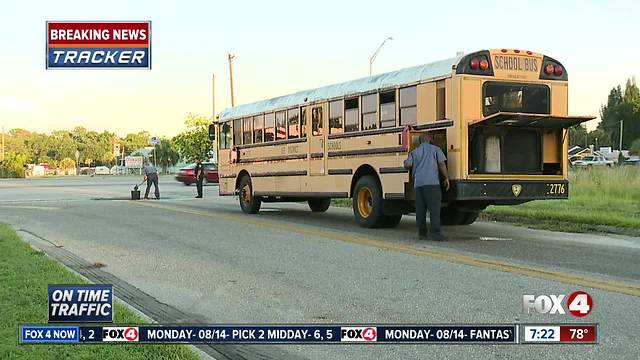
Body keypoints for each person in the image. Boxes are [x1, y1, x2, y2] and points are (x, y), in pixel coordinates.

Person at [403, 133, 450, 241]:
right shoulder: (436, 149)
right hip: (432, 183)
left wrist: (405, 162)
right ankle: (435, 233)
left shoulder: (414, 152)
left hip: (419, 184)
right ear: (429, 139)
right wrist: (446, 178)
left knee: (420, 210)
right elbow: (442, 164)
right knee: (434, 209)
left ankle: (422, 233)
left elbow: (408, 165)